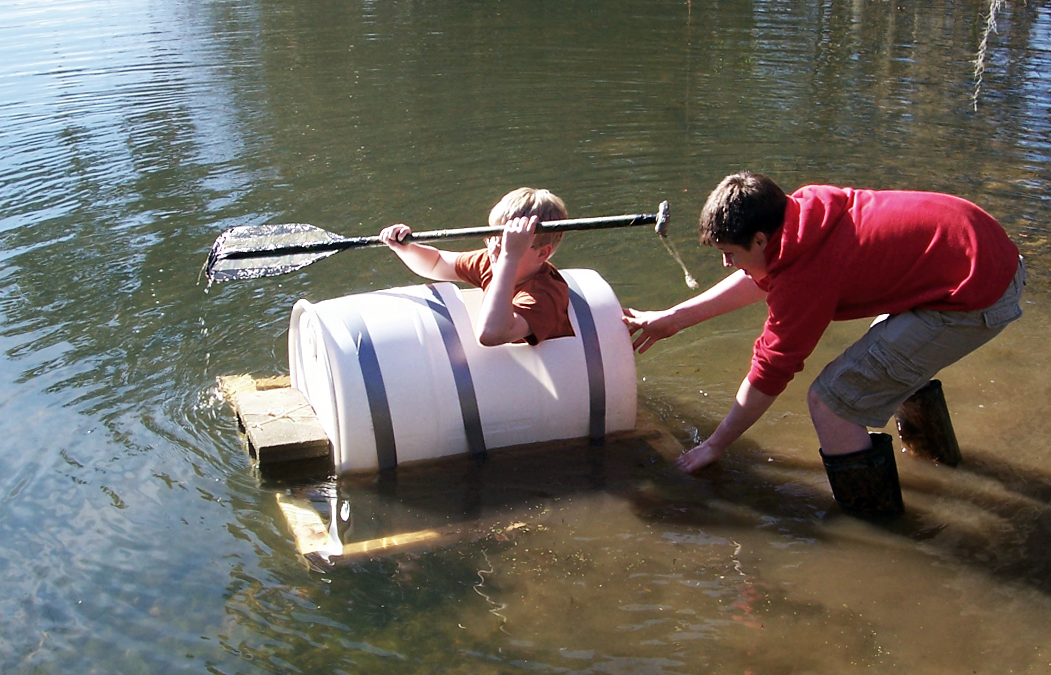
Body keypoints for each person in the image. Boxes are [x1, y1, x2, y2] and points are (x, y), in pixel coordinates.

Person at [622, 172, 1025, 513]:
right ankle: (941, 465)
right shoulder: (801, 215)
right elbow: (762, 274)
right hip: (979, 257)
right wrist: (675, 319)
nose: (726, 264)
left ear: (760, 240)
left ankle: (876, 524)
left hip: (975, 296)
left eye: (729, 253)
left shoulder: (806, 274)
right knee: (885, 359)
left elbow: (770, 371)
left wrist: (714, 445)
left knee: (831, 402)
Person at [379, 187, 575, 347]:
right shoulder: (492, 260)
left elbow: (491, 334)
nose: (494, 244)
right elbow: (436, 263)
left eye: (509, 243)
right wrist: (406, 249)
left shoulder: (544, 294)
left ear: (542, 253)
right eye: (493, 235)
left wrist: (508, 259)